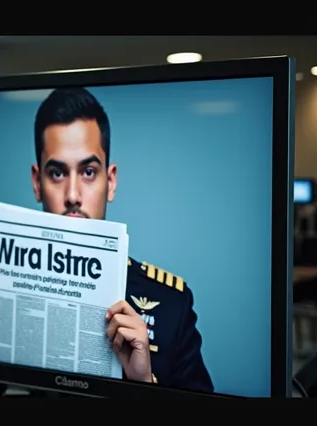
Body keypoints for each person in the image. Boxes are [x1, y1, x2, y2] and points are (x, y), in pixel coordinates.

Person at [29, 87, 213, 392]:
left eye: (88, 171)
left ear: (110, 182)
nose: (73, 195)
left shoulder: (171, 305)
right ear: (38, 183)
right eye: (57, 173)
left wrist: (143, 383)